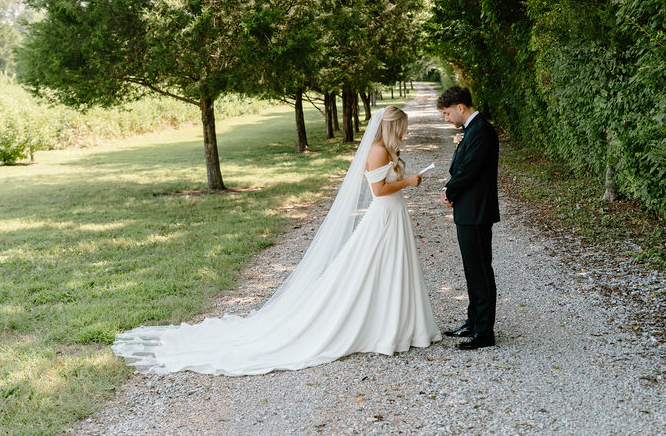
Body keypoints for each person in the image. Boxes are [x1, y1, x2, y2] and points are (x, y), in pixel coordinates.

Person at [112, 106, 441, 375]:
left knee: (393, 270)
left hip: (394, 217)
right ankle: (379, 326)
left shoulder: (388, 150)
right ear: (391, 127)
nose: (405, 133)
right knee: (369, 271)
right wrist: (408, 181)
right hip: (384, 216)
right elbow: (378, 191)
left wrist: (404, 177)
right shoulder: (377, 150)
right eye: (403, 128)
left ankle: (399, 323)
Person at [437, 86, 500, 350]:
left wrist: (449, 189)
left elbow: (470, 170)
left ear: (460, 107)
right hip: (468, 209)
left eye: (447, 113)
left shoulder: (481, 131)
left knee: (481, 271)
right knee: (471, 270)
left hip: (477, 210)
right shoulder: (470, 130)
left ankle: (484, 332)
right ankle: (473, 321)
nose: (446, 118)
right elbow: (461, 166)